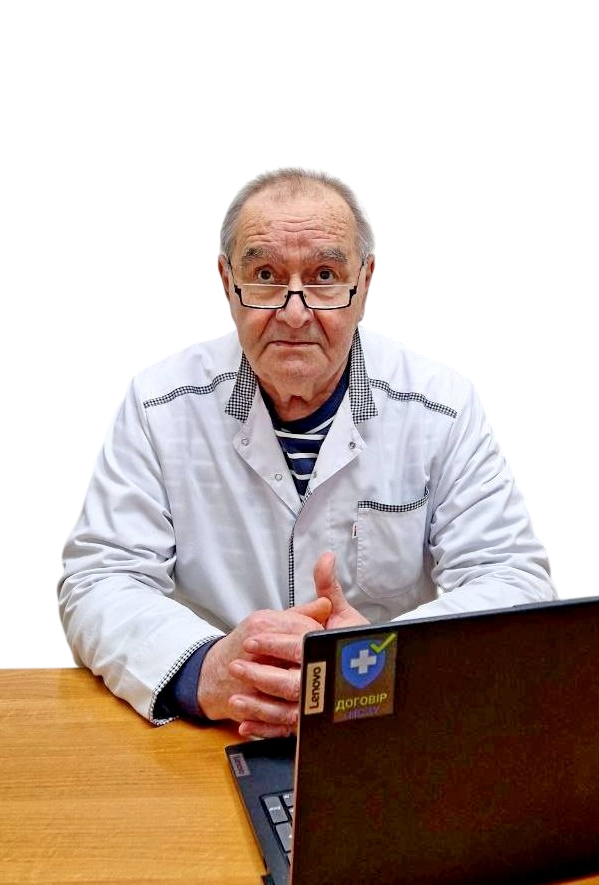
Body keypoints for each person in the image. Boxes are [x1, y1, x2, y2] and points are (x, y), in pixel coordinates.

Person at [57, 165, 558, 739]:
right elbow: (98, 579)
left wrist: (377, 659)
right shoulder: (158, 402)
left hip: (385, 728)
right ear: (226, 283)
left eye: (324, 276)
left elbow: (515, 579)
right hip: (211, 731)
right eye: (265, 276)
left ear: (365, 284)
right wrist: (207, 670)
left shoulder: (442, 404)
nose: (294, 313)